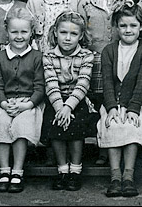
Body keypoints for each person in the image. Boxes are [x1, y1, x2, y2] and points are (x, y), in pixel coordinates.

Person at [78, 0, 134, 167]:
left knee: (118, 100)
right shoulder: (86, 4)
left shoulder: (125, 2)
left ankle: (120, 142)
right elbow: (80, 34)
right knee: (99, 101)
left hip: (121, 59)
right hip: (96, 60)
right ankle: (102, 146)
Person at [97, 5, 142, 198]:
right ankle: (115, 177)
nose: (128, 30)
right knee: (112, 125)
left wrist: (133, 108)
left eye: (133, 25)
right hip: (112, 103)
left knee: (132, 127)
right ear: (116, 27)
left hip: (137, 104)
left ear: (141, 27)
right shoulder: (109, 51)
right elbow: (106, 81)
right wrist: (111, 107)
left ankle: (128, 176)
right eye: (123, 25)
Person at [0, 7, 45, 193]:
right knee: (0, 123)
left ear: (31, 32)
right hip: (5, 103)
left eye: (24, 32)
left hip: (29, 103)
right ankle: (5, 171)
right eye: (14, 32)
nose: (19, 36)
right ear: (7, 32)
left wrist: (27, 104)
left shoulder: (37, 58)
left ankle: (17, 171)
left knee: (22, 125)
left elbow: (40, 87)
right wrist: (4, 103)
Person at [42, 11, 99, 192]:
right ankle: (62, 170)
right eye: (63, 32)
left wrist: (68, 107)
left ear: (81, 36)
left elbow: (83, 84)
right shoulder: (49, 56)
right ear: (55, 33)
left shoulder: (87, 56)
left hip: (78, 99)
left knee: (77, 123)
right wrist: (60, 108)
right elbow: (51, 85)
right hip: (56, 99)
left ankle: (75, 169)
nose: (68, 38)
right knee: (55, 121)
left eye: (74, 34)